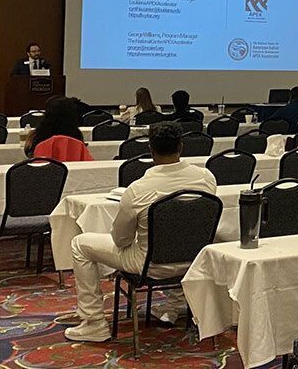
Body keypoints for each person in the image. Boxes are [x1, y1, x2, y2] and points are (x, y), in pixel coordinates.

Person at [65, 122, 217, 342]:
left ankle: (94, 322)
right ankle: (174, 308)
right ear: (181, 147)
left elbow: (121, 239)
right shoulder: (206, 178)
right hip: (195, 261)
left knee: (80, 244)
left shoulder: (138, 189)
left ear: (151, 150)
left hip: (149, 265)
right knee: (182, 237)